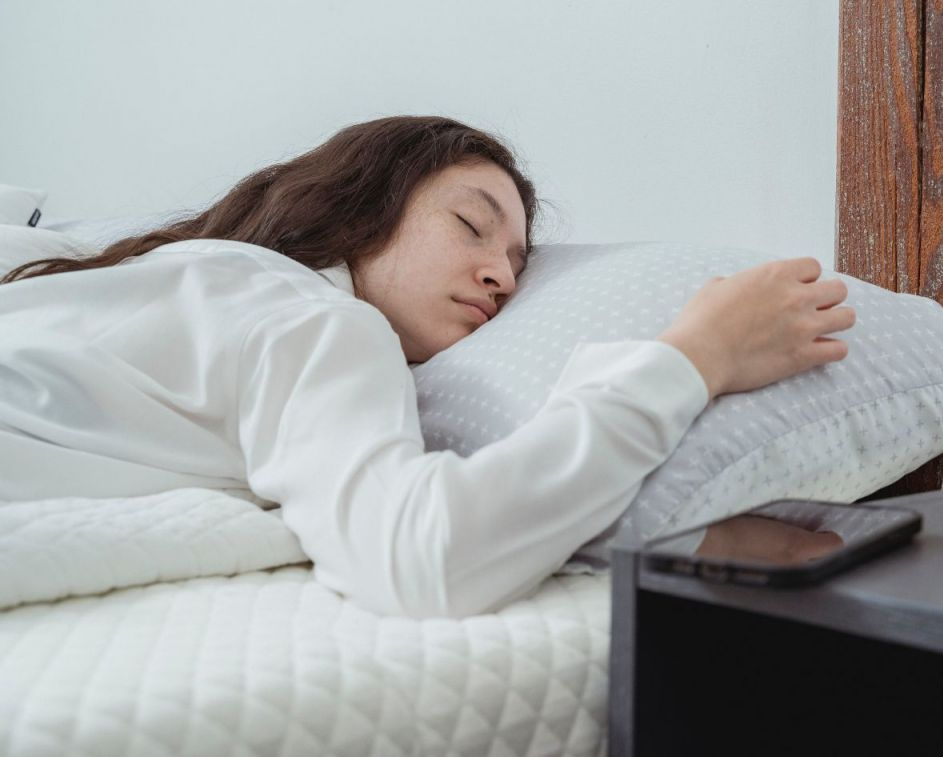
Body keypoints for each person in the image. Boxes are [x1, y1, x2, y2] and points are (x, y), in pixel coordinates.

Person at [0, 116, 855, 617]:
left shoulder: (164, 272)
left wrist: (637, 533)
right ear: (362, 204)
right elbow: (422, 553)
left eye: (519, 264)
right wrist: (694, 355)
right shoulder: (310, 321)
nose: (502, 275)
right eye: (472, 225)